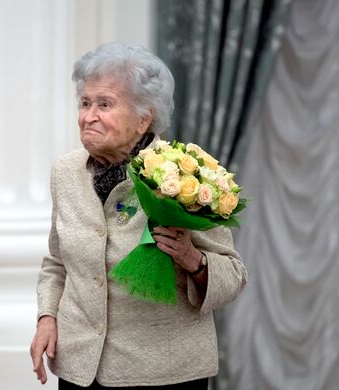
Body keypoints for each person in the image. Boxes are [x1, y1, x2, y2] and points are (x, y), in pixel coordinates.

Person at [30, 42, 247, 389]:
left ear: (144, 117)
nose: (88, 115)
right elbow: (57, 263)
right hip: (80, 369)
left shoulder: (184, 175)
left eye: (105, 104)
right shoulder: (65, 173)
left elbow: (234, 275)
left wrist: (193, 260)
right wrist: (47, 318)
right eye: (85, 103)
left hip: (165, 373)